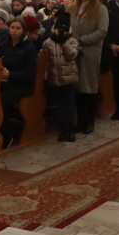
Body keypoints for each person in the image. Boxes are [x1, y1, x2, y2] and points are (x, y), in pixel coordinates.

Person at [68, 0, 109, 134]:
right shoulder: (72, 7)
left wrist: (82, 40)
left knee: (89, 87)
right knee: (77, 87)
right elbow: (66, 25)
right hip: (73, 50)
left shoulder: (100, 9)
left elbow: (102, 31)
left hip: (90, 51)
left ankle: (89, 121)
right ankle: (80, 121)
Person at [0, 17, 38, 148]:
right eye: (12, 27)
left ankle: (6, 135)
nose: (14, 31)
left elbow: (30, 74)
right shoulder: (4, 44)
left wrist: (10, 74)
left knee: (0, 99)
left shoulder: (29, 48)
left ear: (23, 30)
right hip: (4, 83)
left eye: (18, 28)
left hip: (22, 86)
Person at [44, 12, 80, 142]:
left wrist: (64, 41)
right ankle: (63, 129)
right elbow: (46, 62)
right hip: (55, 78)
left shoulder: (72, 41)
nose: (60, 31)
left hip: (69, 78)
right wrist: (46, 77)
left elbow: (72, 55)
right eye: (58, 29)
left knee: (69, 104)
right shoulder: (48, 42)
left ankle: (70, 129)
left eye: (63, 29)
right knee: (59, 105)